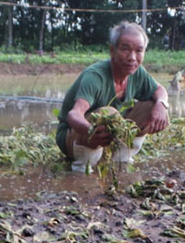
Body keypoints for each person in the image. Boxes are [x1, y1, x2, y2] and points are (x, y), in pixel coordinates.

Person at [55, 21, 170, 172]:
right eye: (125, 49)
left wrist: (161, 104)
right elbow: (74, 115)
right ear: (112, 51)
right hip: (73, 136)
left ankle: (120, 161)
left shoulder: (137, 72)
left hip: (108, 136)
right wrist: (90, 131)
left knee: (151, 106)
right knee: (109, 114)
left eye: (139, 51)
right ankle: (83, 168)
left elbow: (160, 90)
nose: (132, 57)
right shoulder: (95, 77)